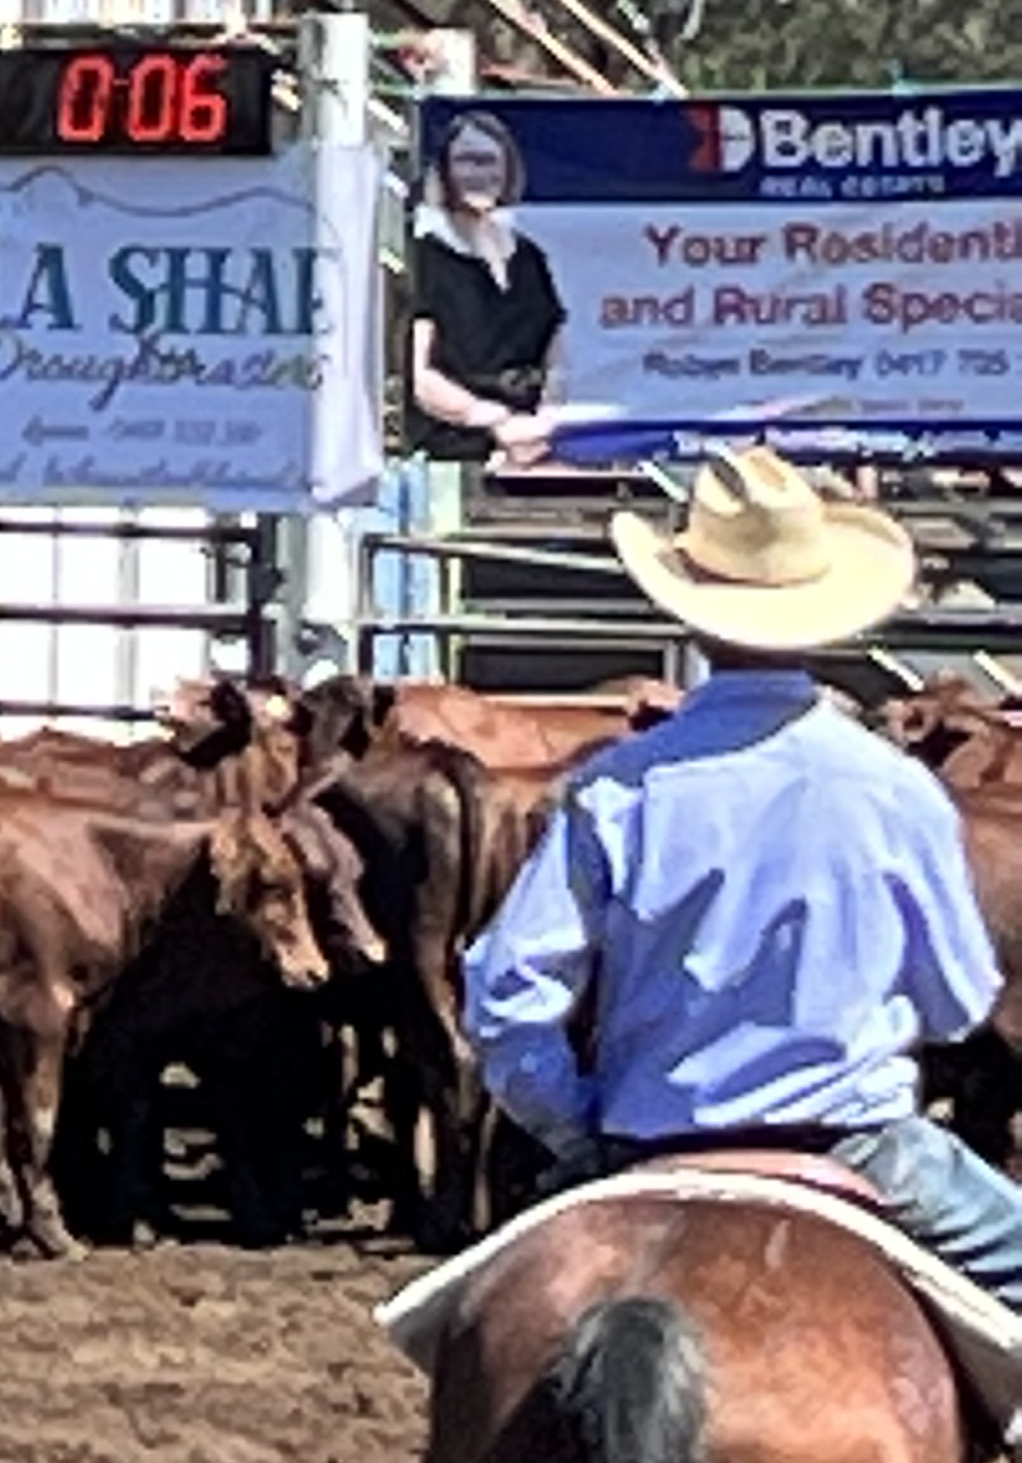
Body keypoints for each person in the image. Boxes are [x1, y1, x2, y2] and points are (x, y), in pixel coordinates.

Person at [460, 443, 1022, 1301]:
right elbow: (958, 1001)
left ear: (692, 615)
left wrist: (572, 1125)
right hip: (854, 1142)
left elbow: (507, 991)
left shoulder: (619, 787)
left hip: (650, 1138)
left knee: (486, 1326)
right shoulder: (897, 790)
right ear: (827, 615)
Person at [402, 110, 566, 468]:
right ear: (445, 171)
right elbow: (420, 377)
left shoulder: (530, 257)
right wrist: (493, 421)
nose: (479, 173)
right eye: (467, 161)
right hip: (449, 454)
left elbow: (555, 345)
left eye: (488, 161)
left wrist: (545, 418)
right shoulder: (423, 258)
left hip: (529, 450)